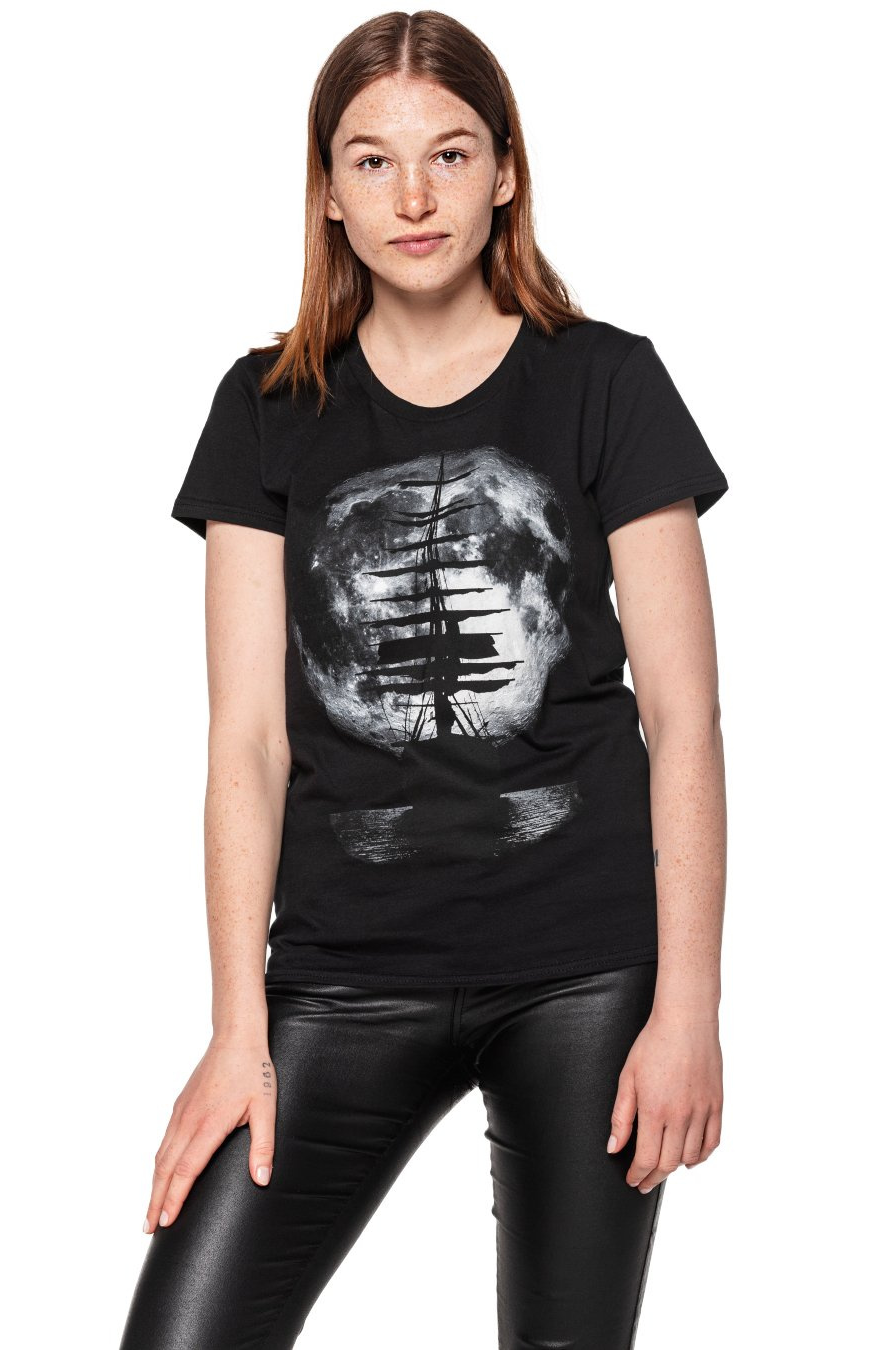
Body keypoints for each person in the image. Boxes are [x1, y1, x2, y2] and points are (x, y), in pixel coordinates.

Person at [119, 11, 729, 1349]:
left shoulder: (607, 382)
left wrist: (690, 1006)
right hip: (342, 971)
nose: (413, 197)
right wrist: (236, 1029)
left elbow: (684, 718)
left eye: (449, 154)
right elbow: (246, 744)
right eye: (373, 160)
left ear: (505, 172)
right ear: (328, 191)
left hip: (583, 972)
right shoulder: (264, 408)